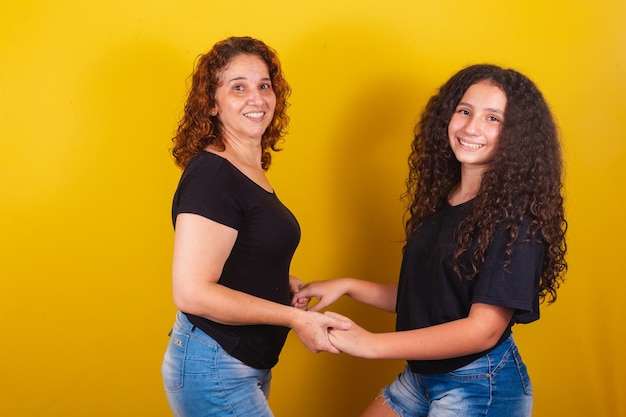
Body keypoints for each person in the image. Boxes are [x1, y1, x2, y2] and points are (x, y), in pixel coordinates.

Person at [293, 64, 568, 417]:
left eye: (493, 119)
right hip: (421, 376)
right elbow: (431, 297)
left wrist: (373, 344)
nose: (471, 127)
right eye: (465, 111)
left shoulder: (517, 220)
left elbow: (482, 330)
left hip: (479, 385)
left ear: (518, 136)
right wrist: (348, 285)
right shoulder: (446, 198)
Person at [161, 36, 350, 417]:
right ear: (211, 104)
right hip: (215, 365)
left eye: (264, 85)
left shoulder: (247, 169)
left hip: (240, 363)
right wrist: (296, 317)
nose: (257, 98)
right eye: (238, 88)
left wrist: (281, 282)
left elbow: (238, 256)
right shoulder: (213, 175)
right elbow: (192, 292)